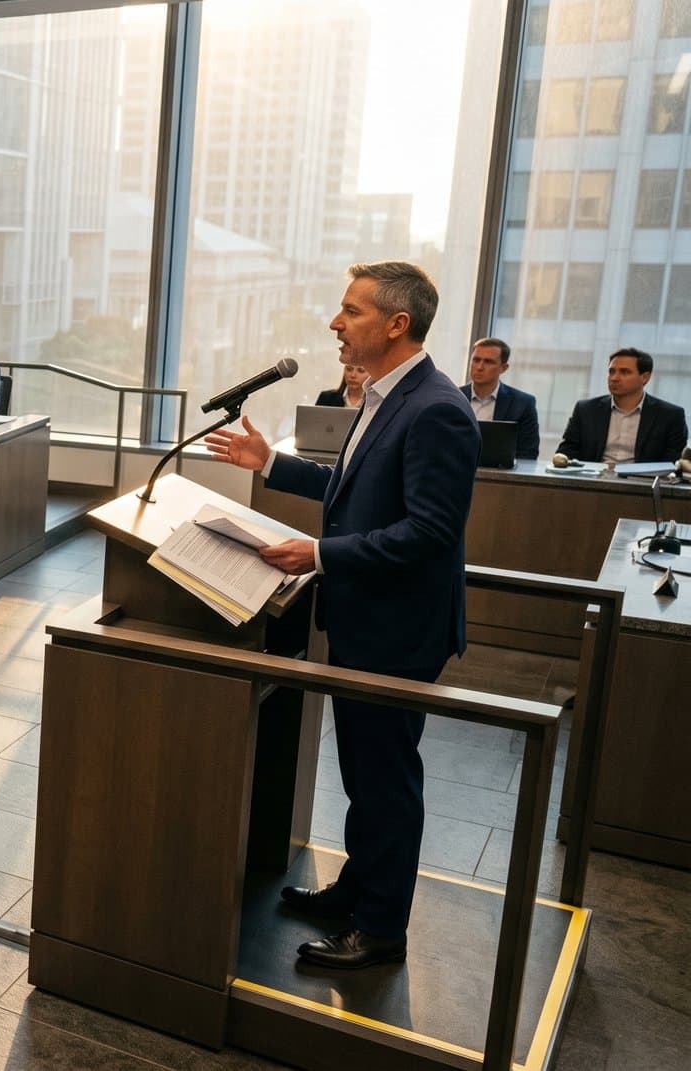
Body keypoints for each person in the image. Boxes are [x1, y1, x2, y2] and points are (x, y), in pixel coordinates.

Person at [206, 261, 478, 971]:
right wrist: (272, 465)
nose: (335, 322)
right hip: (368, 620)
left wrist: (323, 554)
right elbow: (352, 488)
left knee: (387, 778)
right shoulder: (387, 396)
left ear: (397, 323)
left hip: (399, 630)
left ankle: (381, 928)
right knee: (364, 771)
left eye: (351, 311)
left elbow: (428, 532)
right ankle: (359, 888)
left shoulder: (436, 407)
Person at [556, 348, 689, 464]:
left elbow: (672, 463)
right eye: (611, 371)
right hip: (592, 482)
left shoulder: (670, 416)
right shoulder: (585, 410)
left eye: (624, 372)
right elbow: (566, 453)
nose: (614, 378)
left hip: (642, 487)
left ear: (645, 377)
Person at [461, 337, 540, 459]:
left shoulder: (523, 404)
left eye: (488, 362)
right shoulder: (453, 397)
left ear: (504, 368)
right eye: (476, 360)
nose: (479, 367)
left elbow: (528, 454)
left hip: (500, 473)